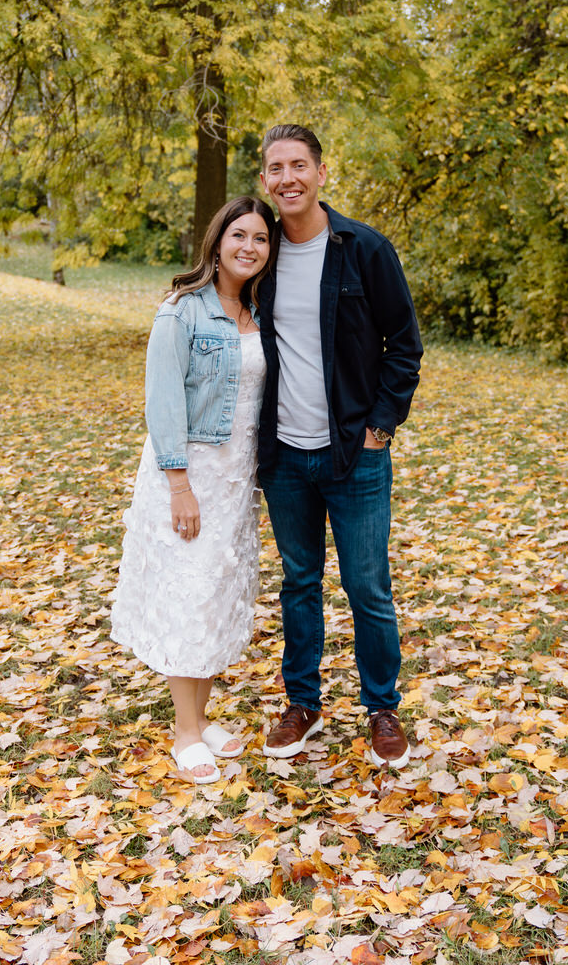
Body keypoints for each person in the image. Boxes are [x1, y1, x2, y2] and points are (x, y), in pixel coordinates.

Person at [256, 124, 423, 769]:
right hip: (284, 456)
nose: (288, 178)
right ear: (264, 179)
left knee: (367, 587)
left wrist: (381, 426)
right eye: (276, 168)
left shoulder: (364, 250)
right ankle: (302, 703)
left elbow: (403, 345)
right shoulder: (259, 251)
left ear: (321, 173)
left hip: (355, 453)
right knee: (299, 582)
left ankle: (382, 707)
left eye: (299, 165)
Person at [110, 196, 276, 784]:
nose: (249, 247)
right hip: (189, 475)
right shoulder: (181, 311)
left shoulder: (258, 311)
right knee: (188, 595)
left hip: (236, 480)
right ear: (217, 241)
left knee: (214, 596)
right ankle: (184, 732)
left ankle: (200, 719)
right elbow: (162, 401)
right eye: (239, 235)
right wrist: (179, 485)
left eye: (260, 238)